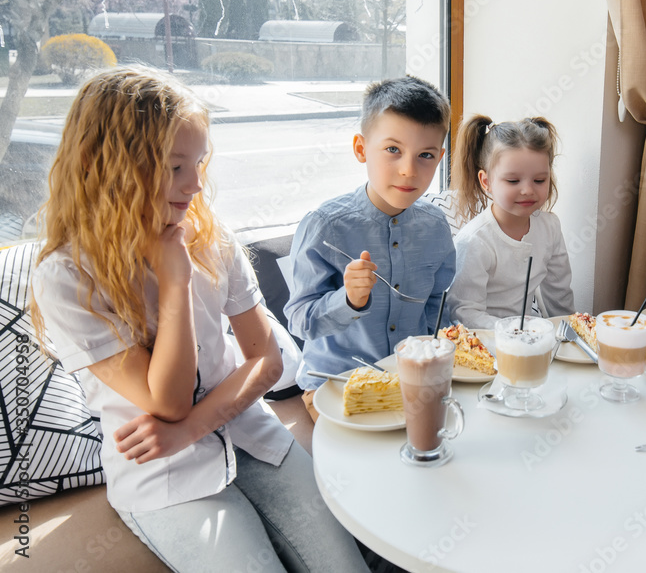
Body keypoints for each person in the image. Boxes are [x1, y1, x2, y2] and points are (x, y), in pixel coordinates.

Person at [29, 67, 368, 572]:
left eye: (200, 164)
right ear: (111, 167)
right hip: (162, 474)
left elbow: (266, 360)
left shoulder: (213, 238)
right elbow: (165, 400)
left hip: (249, 431)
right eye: (175, 168)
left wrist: (190, 428)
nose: (194, 187)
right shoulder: (66, 277)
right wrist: (174, 282)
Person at [284, 75, 454, 421]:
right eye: (393, 150)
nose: (408, 170)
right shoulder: (326, 225)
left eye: (425, 155)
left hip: (410, 377)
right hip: (336, 382)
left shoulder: (436, 226)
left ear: (440, 158)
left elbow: (438, 307)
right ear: (361, 148)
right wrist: (347, 300)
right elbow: (299, 321)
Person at [448, 114, 574, 329]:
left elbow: (559, 294)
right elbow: (465, 313)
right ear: (486, 182)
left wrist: (570, 332)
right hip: (484, 343)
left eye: (539, 180)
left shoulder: (550, 227)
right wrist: (516, 333)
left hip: (527, 339)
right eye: (513, 181)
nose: (527, 190)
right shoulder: (474, 241)